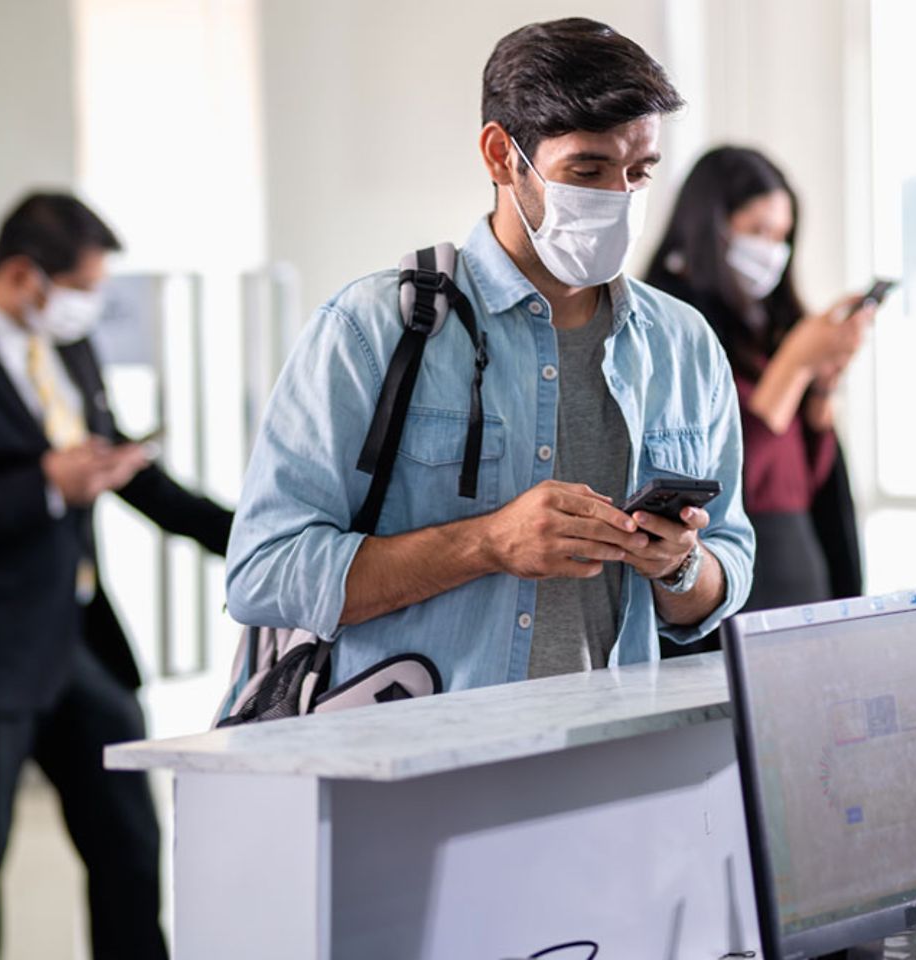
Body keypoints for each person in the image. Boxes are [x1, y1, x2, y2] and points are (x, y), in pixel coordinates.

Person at [225, 19, 754, 695]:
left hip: (615, 762)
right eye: (587, 170)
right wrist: (489, 543)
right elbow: (264, 572)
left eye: (638, 172)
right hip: (417, 772)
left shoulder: (683, 345)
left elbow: (724, 574)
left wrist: (677, 566)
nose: (620, 198)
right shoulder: (371, 330)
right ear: (501, 154)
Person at [0, 192, 233, 959]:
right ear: (22, 274)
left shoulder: (66, 350)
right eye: (80, 292)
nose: (89, 311)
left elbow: (128, 475)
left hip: (79, 643)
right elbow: (44, 483)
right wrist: (45, 484)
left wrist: (261, 539)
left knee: (130, 850)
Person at [645, 146, 871, 653]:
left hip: (801, 571)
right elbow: (727, 478)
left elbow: (807, 483)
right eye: (758, 231)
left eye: (782, 236)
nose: (773, 250)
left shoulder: (767, 327)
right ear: (713, 225)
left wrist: (819, 387)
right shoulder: (674, 328)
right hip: (729, 586)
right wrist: (794, 365)